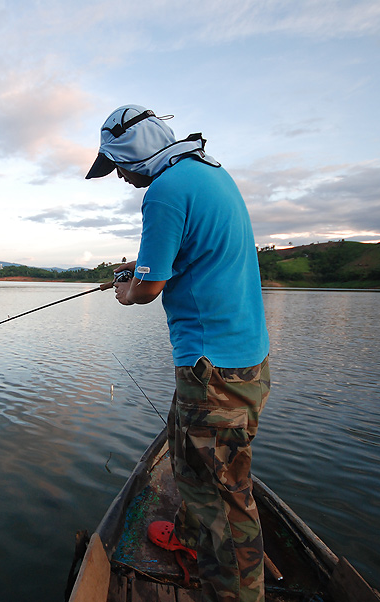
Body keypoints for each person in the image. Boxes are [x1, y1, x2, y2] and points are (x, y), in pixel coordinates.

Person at [86, 105, 271, 602]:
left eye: (119, 165)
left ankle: (236, 594)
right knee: (188, 458)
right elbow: (185, 255)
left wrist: (128, 291)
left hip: (212, 367)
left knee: (223, 496)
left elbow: (147, 290)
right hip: (242, 355)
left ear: (135, 154)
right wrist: (140, 267)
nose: (121, 177)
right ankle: (190, 537)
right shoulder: (208, 173)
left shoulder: (164, 192)